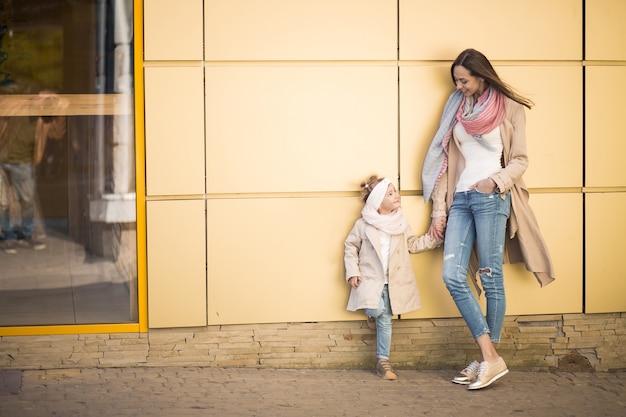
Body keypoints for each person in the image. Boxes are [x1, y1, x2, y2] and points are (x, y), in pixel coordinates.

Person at [421, 49, 556, 390]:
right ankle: (490, 357)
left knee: (490, 277)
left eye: (464, 80)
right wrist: (441, 209)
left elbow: (521, 160)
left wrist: (493, 182)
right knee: (452, 276)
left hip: (491, 197)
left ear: (481, 75)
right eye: (455, 80)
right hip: (461, 199)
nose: (459, 86)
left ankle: (487, 359)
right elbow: (446, 162)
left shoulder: (510, 108)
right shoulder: (457, 109)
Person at [344, 175, 441, 380]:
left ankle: (383, 361)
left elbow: (412, 244)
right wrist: (353, 271)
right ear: (378, 203)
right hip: (370, 279)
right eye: (390, 194)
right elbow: (351, 247)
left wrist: (433, 239)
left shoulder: (400, 223)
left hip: (394, 281)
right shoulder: (363, 225)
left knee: (386, 320)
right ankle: (371, 315)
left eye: (395, 191)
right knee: (375, 309)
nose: (396, 195)